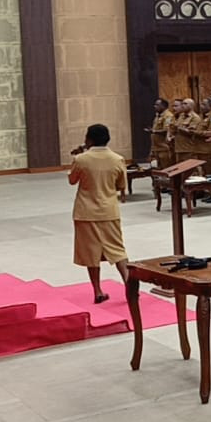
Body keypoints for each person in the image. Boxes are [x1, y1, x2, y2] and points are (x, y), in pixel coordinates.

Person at [67, 124, 129, 304]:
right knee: (118, 250)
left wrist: (78, 156)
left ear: (88, 139)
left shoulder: (81, 159)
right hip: (109, 211)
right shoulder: (117, 159)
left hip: (86, 212)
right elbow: (121, 185)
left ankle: (97, 291)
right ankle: (129, 286)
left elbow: (72, 180)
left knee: (91, 252)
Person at [148, 98, 174, 168]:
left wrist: (154, 131)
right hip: (156, 148)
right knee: (157, 169)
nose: (154, 106)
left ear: (163, 106)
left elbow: (167, 130)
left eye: (157, 105)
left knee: (166, 168)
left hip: (164, 148)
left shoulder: (168, 116)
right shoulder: (158, 116)